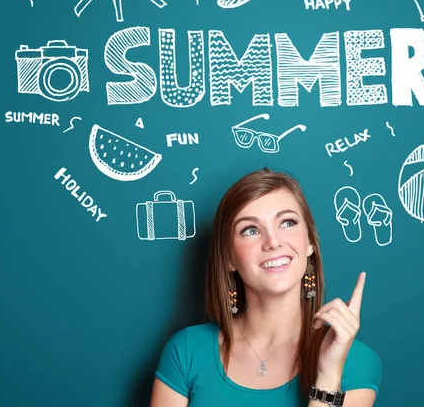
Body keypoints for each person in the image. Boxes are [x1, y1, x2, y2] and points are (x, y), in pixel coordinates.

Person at [150, 168, 382, 406]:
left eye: (287, 222)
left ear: (310, 243)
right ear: (229, 258)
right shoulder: (186, 351)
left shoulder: (355, 361)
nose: (273, 242)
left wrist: (328, 375)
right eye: (251, 230)